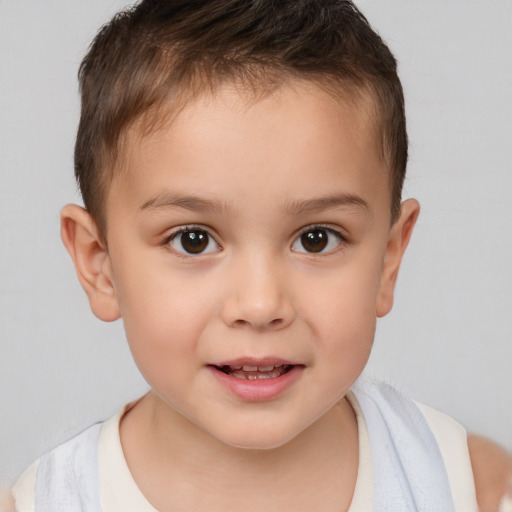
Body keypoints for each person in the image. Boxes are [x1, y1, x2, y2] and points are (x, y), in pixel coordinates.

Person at [10, 0, 512, 510]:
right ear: (100, 264)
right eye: (193, 240)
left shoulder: (470, 486)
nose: (259, 304)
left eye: (317, 238)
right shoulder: (45, 502)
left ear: (388, 259)